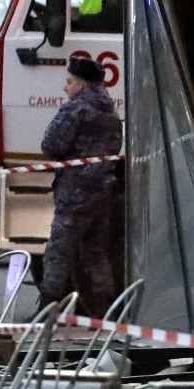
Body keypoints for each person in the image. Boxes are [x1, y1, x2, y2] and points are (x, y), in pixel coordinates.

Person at [39, 56, 122, 316]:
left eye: (70, 82)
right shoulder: (110, 112)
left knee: (58, 252)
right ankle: (106, 313)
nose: (65, 87)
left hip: (74, 194)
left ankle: (47, 311)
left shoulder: (75, 109)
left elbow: (50, 144)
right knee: (95, 254)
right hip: (102, 193)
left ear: (82, 85)